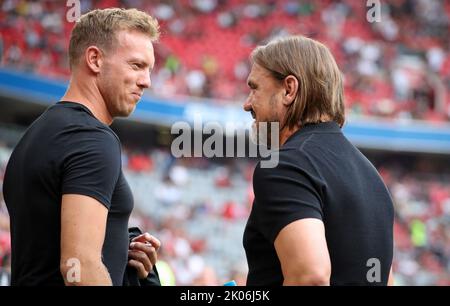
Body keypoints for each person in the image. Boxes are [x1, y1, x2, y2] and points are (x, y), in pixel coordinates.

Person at [3, 8, 161, 286]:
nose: (146, 81)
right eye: (136, 65)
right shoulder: (92, 138)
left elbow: (47, 250)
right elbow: (79, 267)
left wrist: (118, 251)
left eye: (149, 69)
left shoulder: (36, 135)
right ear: (95, 59)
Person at [242, 35, 395, 286]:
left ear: (289, 90)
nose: (247, 104)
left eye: (254, 88)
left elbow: (309, 277)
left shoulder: (286, 166)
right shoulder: (372, 177)